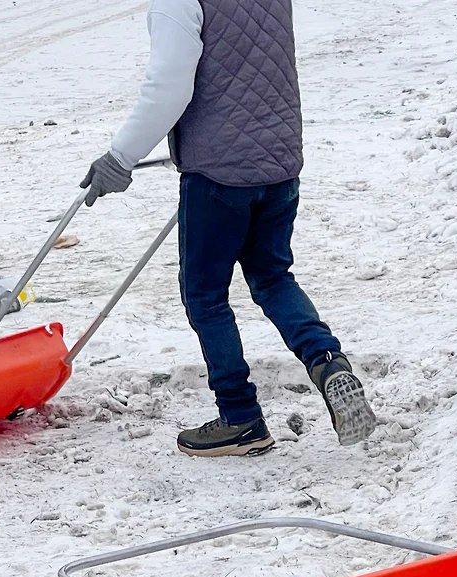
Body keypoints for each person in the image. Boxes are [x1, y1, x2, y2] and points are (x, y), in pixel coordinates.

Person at [80, 0, 375, 457]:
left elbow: (168, 88)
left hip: (219, 175)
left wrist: (120, 157)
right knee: (273, 277)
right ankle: (328, 362)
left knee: (205, 294)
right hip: (279, 162)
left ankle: (240, 417)